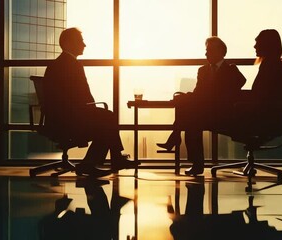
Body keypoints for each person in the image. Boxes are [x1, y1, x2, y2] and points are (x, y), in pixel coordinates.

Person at [43, 28, 138, 177]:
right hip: (68, 119)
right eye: (80, 41)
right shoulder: (71, 65)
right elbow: (83, 95)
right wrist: (92, 108)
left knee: (106, 119)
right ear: (68, 43)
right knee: (107, 120)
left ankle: (110, 159)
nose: (84, 45)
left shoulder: (57, 65)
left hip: (59, 118)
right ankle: (100, 161)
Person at [157, 37, 246, 176]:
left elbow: (238, 84)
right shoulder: (203, 70)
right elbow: (198, 93)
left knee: (189, 116)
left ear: (220, 52)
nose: (206, 54)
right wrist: (187, 97)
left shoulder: (231, 69)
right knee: (187, 110)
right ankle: (191, 157)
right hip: (206, 112)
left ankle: (176, 137)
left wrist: (218, 93)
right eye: (206, 50)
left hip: (224, 113)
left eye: (209, 50)